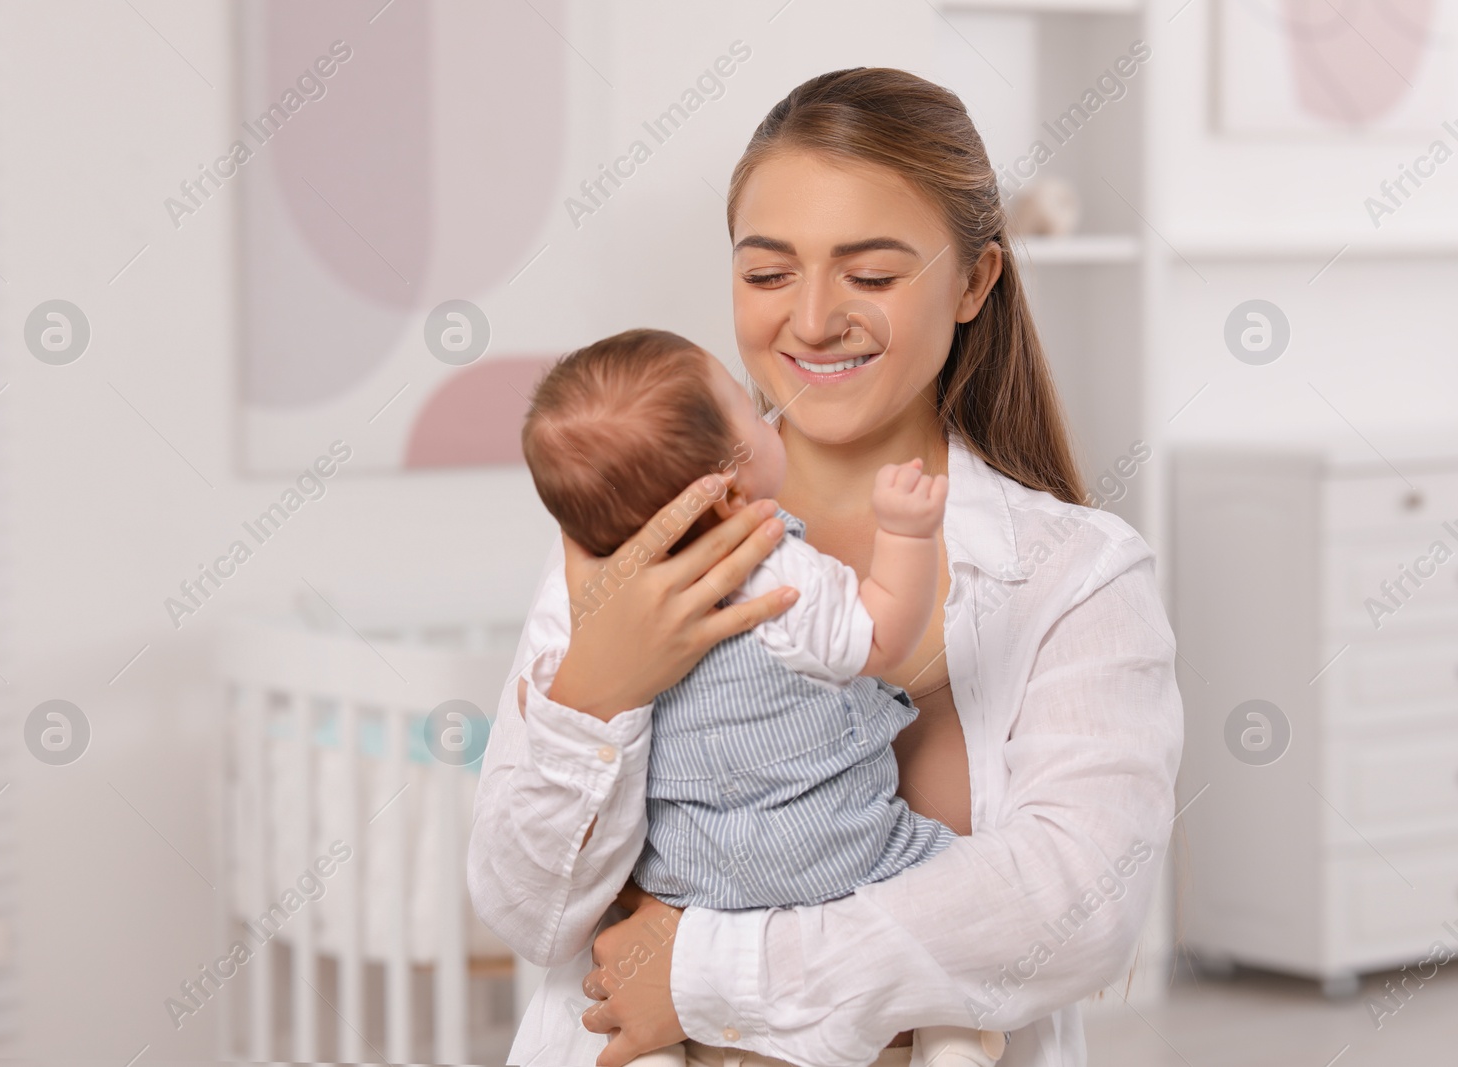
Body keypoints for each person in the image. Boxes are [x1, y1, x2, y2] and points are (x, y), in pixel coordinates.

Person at [469, 67, 1183, 1067]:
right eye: (766, 275)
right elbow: (533, 920)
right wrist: (592, 693)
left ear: (975, 280)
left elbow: (1073, 905)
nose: (809, 320)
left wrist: (701, 973)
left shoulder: (1075, 575)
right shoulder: (637, 545)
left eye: (872, 275)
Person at [515, 328, 1005, 1066]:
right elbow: (878, 638)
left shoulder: (593, 615)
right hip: (840, 857)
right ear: (731, 485)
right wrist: (906, 534)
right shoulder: (778, 569)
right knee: (953, 893)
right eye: (750, 409)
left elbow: (548, 714)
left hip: (689, 883)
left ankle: (651, 1049)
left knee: (634, 954)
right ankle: (953, 1037)